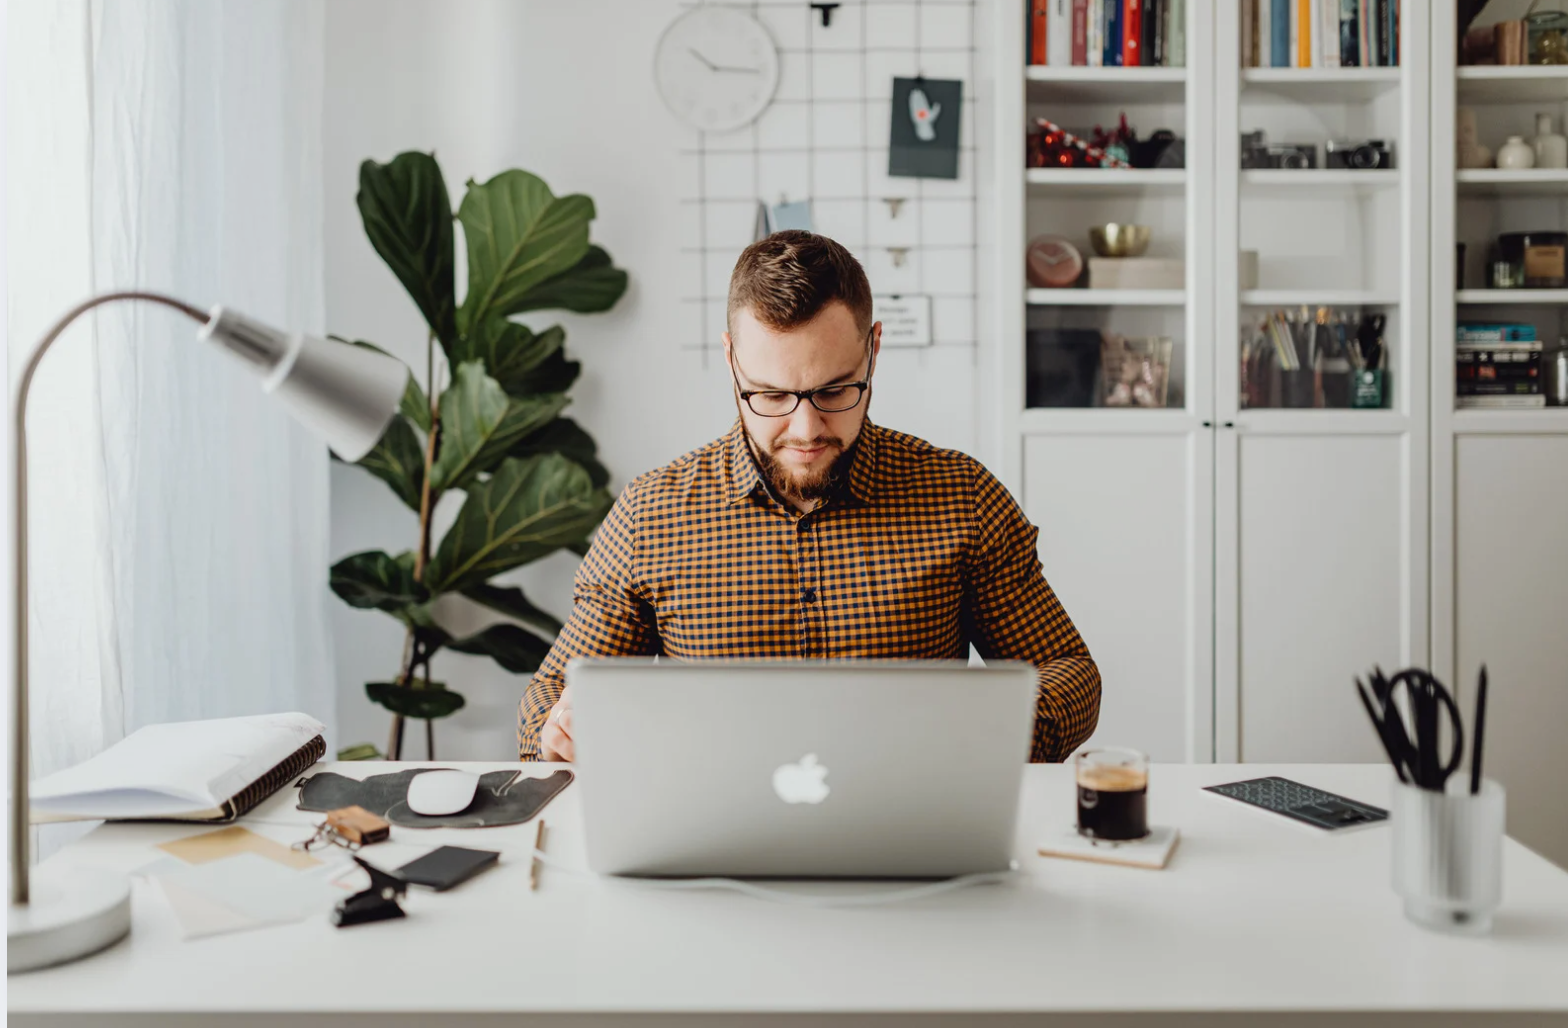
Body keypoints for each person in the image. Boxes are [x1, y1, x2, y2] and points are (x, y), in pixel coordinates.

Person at [517, 231, 1100, 763]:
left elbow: (1069, 672)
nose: (805, 430)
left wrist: (994, 732)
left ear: (873, 350)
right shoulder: (652, 515)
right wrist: (557, 728)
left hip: (910, 835)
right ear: (730, 361)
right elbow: (551, 694)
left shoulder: (961, 497)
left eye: (834, 390)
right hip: (712, 846)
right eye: (770, 395)